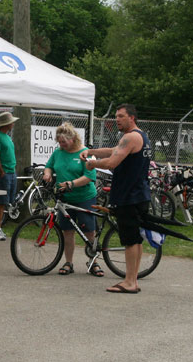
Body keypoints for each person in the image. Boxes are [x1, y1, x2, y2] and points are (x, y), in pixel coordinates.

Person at [81, 103, 151, 294]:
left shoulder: (130, 137)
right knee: (135, 240)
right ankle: (133, 280)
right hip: (140, 194)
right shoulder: (141, 136)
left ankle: (129, 282)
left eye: (121, 116)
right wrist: (92, 151)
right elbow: (114, 150)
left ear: (132, 118)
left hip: (129, 196)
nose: (117, 119)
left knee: (130, 240)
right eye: (116, 116)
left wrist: (91, 164)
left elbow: (112, 161)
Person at [43, 123, 100, 277]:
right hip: (65, 198)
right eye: (59, 142)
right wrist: (47, 173)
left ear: (73, 138)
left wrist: (72, 184)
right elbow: (49, 166)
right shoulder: (58, 153)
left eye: (64, 142)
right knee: (67, 231)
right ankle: (69, 262)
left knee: (89, 230)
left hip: (84, 197)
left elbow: (90, 177)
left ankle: (93, 262)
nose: (61, 145)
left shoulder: (84, 153)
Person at [0, 111, 19, 242]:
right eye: (11, 122)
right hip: (4, 173)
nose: (13, 124)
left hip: (11, 172)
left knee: (7, 200)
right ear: (7, 124)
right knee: (2, 201)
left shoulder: (7, 137)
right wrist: (1, 171)